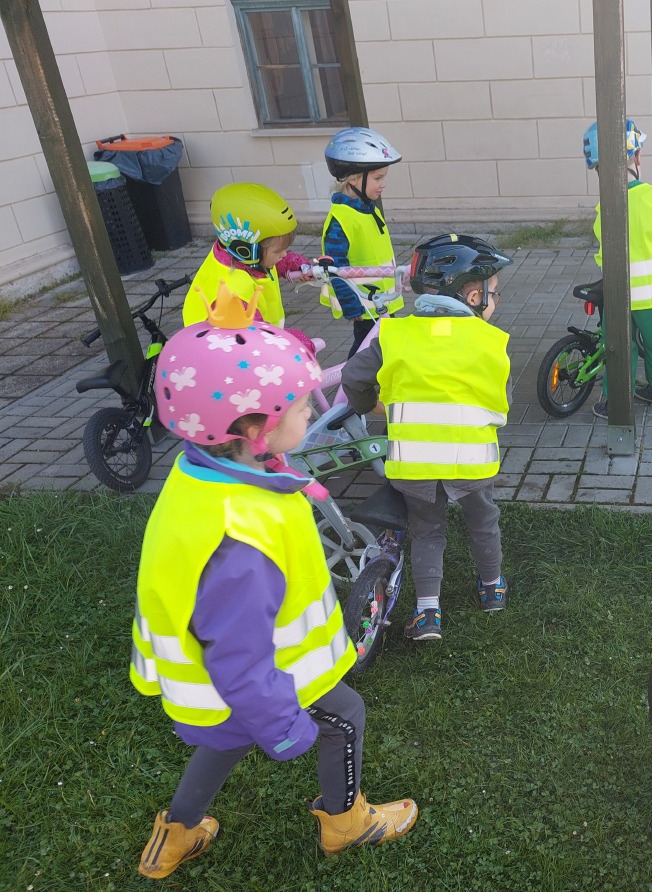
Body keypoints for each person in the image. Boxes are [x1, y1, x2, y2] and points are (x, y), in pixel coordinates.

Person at [130, 283, 418, 880]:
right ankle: (345, 822)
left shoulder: (205, 470)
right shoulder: (241, 546)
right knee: (346, 715)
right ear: (255, 427)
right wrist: (284, 730)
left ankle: (176, 834)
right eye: (302, 405)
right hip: (265, 681)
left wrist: (285, 475)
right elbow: (239, 656)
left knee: (224, 740)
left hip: (211, 689)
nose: (312, 411)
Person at [341, 233, 513, 643]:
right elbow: (503, 401)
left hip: (414, 462)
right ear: (473, 296)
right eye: (494, 293)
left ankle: (427, 613)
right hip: (471, 461)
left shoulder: (394, 335)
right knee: (483, 520)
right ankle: (493, 588)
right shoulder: (491, 342)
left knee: (426, 529)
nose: (496, 300)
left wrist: (373, 406)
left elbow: (352, 377)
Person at [582, 119, 652, 418]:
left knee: (619, 346)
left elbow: (604, 247)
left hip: (618, 293)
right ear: (636, 156)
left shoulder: (605, 208)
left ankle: (615, 401)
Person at [321, 127, 406, 357]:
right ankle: (352, 381)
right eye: (378, 178)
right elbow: (334, 266)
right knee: (366, 355)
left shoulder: (367, 209)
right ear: (353, 179)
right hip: (364, 304)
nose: (383, 184)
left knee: (379, 352)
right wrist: (351, 306)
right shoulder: (342, 219)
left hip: (381, 301)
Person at [181, 183, 308, 328]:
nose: (284, 254)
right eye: (278, 251)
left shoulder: (244, 258)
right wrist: (297, 340)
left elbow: (271, 266)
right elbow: (255, 335)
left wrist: (297, 265)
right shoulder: (235, 296)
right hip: (247, 340)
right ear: (245, 250)